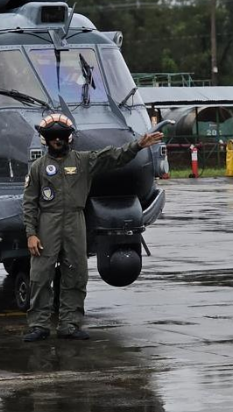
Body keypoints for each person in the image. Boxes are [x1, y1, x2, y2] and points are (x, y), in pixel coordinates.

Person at [21, 114, 163, 342]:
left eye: (61, 137)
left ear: (69, 139)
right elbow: (29, 202)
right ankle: (39, 325)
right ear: (45, 140)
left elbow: (114, 156)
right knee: (40, 275)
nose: (57, 141)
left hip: (76, 220)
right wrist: (31, 233)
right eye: (52, 138)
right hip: (47, 222)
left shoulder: (83, 161)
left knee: (76, 273)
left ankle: (70, 324)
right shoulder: (38, 168)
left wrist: (138, 145)